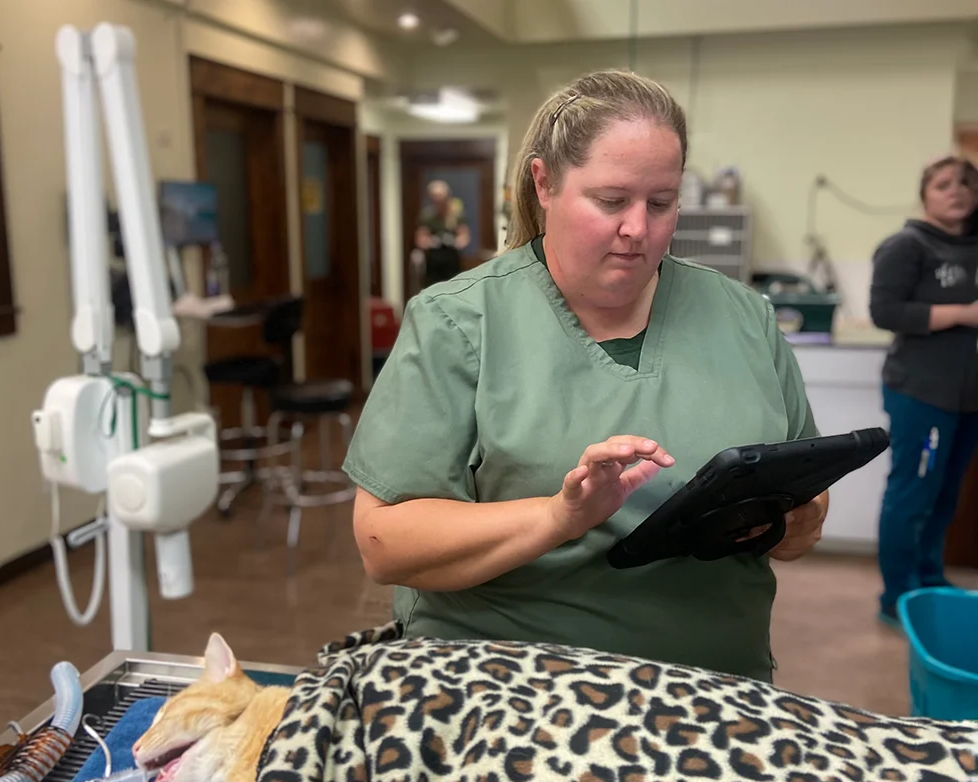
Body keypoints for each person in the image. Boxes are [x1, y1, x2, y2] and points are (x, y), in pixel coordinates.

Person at [343, 71, 827, 683]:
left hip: (716, 696)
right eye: (611, 201)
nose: (638, 229)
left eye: (661, 203)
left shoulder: (745, 319)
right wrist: (558, 517)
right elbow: (384, 544)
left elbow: (801, 517)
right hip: (511, 693)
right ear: (544, 183)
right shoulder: (459, 321)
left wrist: (792, 519)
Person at [870, 155, 978, 627]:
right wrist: (962, 313)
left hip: (968, 400)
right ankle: (897, 595)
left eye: (965, 184)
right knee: (912, 493)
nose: (955, 191)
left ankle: (929, 579)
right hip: (921, 395)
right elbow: (885, 312)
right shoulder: (907, 245)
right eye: (942, 184)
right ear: (925, 194)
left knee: (946, 494)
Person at [414, 179, 470, 287]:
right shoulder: (427, 216)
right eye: (435, 198)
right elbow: (420, 239)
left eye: (441, 197)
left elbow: (464, 236)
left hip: (452, 259)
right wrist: (432, 242)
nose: (439, 201)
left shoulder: (456, 215)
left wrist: (454, 242)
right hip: (434, 261)